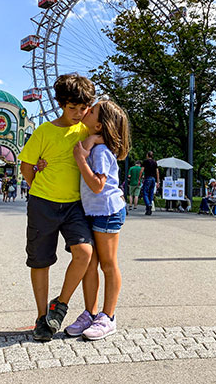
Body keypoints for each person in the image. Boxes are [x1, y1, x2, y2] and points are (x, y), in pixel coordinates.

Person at [18, 73, 96, 342]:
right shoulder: (44, 131)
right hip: (43, 203)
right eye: (71, 107)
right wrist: (38, 187)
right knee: (41, 261)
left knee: (84, 252)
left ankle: (60, 305)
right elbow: (26, 166)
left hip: (75, 204)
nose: (77, 113)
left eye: (83, 108)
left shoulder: (87, 131)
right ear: (61, 104)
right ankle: (42, 318)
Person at [65, 99, 130, 340]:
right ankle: (90, 314)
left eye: (91, 111)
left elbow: (97, 185)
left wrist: (80, 158)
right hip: (92, 212)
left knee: (108, 264)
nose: (85, 111)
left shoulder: (100, 151)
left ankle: (108, 317)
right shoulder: (94, 143)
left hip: (107, 211)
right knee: (90, 265)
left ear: (100, 126)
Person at [139, 151, 159, 215]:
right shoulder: (155, 162)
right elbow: (157, 172)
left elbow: (142, 170)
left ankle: (148, 205)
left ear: (147, 155)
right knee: (151, 194)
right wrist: (158, 181)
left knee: (145, 193)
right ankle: (149, 208)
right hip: (153, 179)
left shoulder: (145, 162)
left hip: (147, 178)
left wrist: (139, 179)